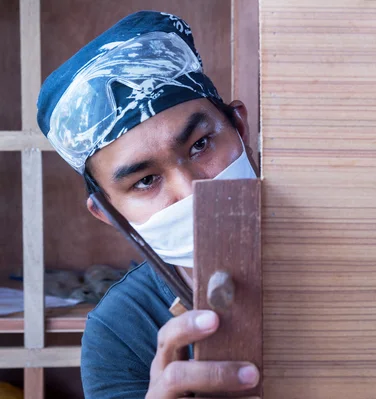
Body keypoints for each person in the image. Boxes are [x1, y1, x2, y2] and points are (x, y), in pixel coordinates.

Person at [36, 11, 260, 399]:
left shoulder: (353, 247)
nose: (191, 192)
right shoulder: (120, 332)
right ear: (108, 213)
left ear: (239, 128)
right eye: (144, 181)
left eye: (200, 145)